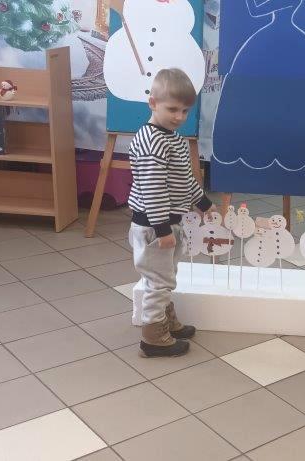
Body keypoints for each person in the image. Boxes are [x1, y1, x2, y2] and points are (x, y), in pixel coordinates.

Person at [128, 68, 213, 358]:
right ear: (153, 103)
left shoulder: (171, 137)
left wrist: (204, 203)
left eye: (185, 111)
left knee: (166, 276)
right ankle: (153, 338)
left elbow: (183, 178)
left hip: (166, 223)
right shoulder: (152, 141)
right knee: (159, 281)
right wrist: (162, 230)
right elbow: (152, 189)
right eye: (172, 109)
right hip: (154, 226)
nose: (179, 116)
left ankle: (164, 320)